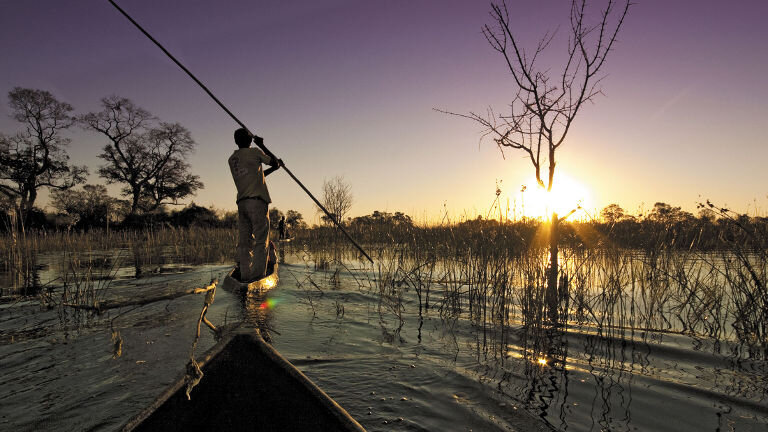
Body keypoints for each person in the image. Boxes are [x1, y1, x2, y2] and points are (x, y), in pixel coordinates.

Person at [228, 128, 280, 281]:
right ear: (250, 140)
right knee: (260, 241)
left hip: (242, 203)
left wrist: (272, 168)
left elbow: (256, 174)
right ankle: (258, 278)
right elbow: (275, 162)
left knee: (244, 243)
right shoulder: (255, 152)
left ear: (236, 141)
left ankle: (244, 276)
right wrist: (262, 145)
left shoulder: (232, 159)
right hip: (257, 202)